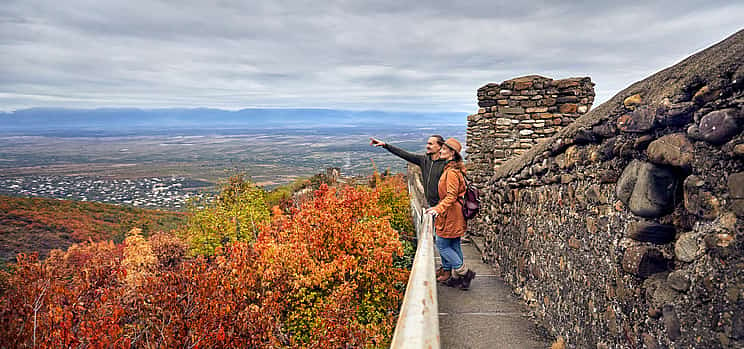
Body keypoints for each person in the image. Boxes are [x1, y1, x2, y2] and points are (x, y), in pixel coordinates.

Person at [424, 138, 476, 290]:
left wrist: (437, 209)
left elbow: (452, 195)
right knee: (453, 244)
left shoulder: (452, 172)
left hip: (451, 214)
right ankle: (457, 277)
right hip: (455, 213)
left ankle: (465, 273)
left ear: (452, 153)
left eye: (444, 150)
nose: (440, 151)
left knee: (441, 244)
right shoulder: (452, 169)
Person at [369, 135, 448, 208]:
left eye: (431, 144)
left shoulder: (446, 164)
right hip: (431, 205)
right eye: (427, 144)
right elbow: (404, 154)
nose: (427, 146)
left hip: (442, 207)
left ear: (439, 147)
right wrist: (385, 145)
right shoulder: (424, 160)